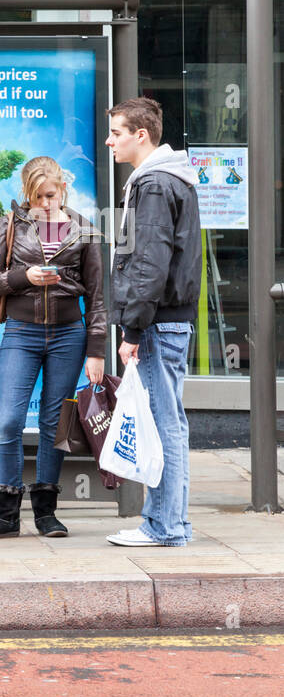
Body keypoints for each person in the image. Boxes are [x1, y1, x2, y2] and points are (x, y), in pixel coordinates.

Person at [0, 156, 106, 539]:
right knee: (9, 421)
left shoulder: (85, 230)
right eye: (37, 196)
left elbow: (97, 298)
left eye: (51, 194)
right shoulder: (11, 223)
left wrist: (96, 350)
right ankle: (6, 514)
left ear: (62, 188)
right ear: (26, 194)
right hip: (21, 332)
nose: (45, 204)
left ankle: (46, 513)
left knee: (54, 423)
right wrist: (23, 277)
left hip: (69, 334)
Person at [104, 97, 200, 547]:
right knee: (171, 423)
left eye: (117, 132)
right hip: (169, 320)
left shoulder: (155, 185)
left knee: (163, 424)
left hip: (158, 323)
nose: (110, 141)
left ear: (141, 135)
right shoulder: (167, 180)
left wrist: (133, 329)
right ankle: (173, 523)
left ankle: (163, 527)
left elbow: (149, 262)